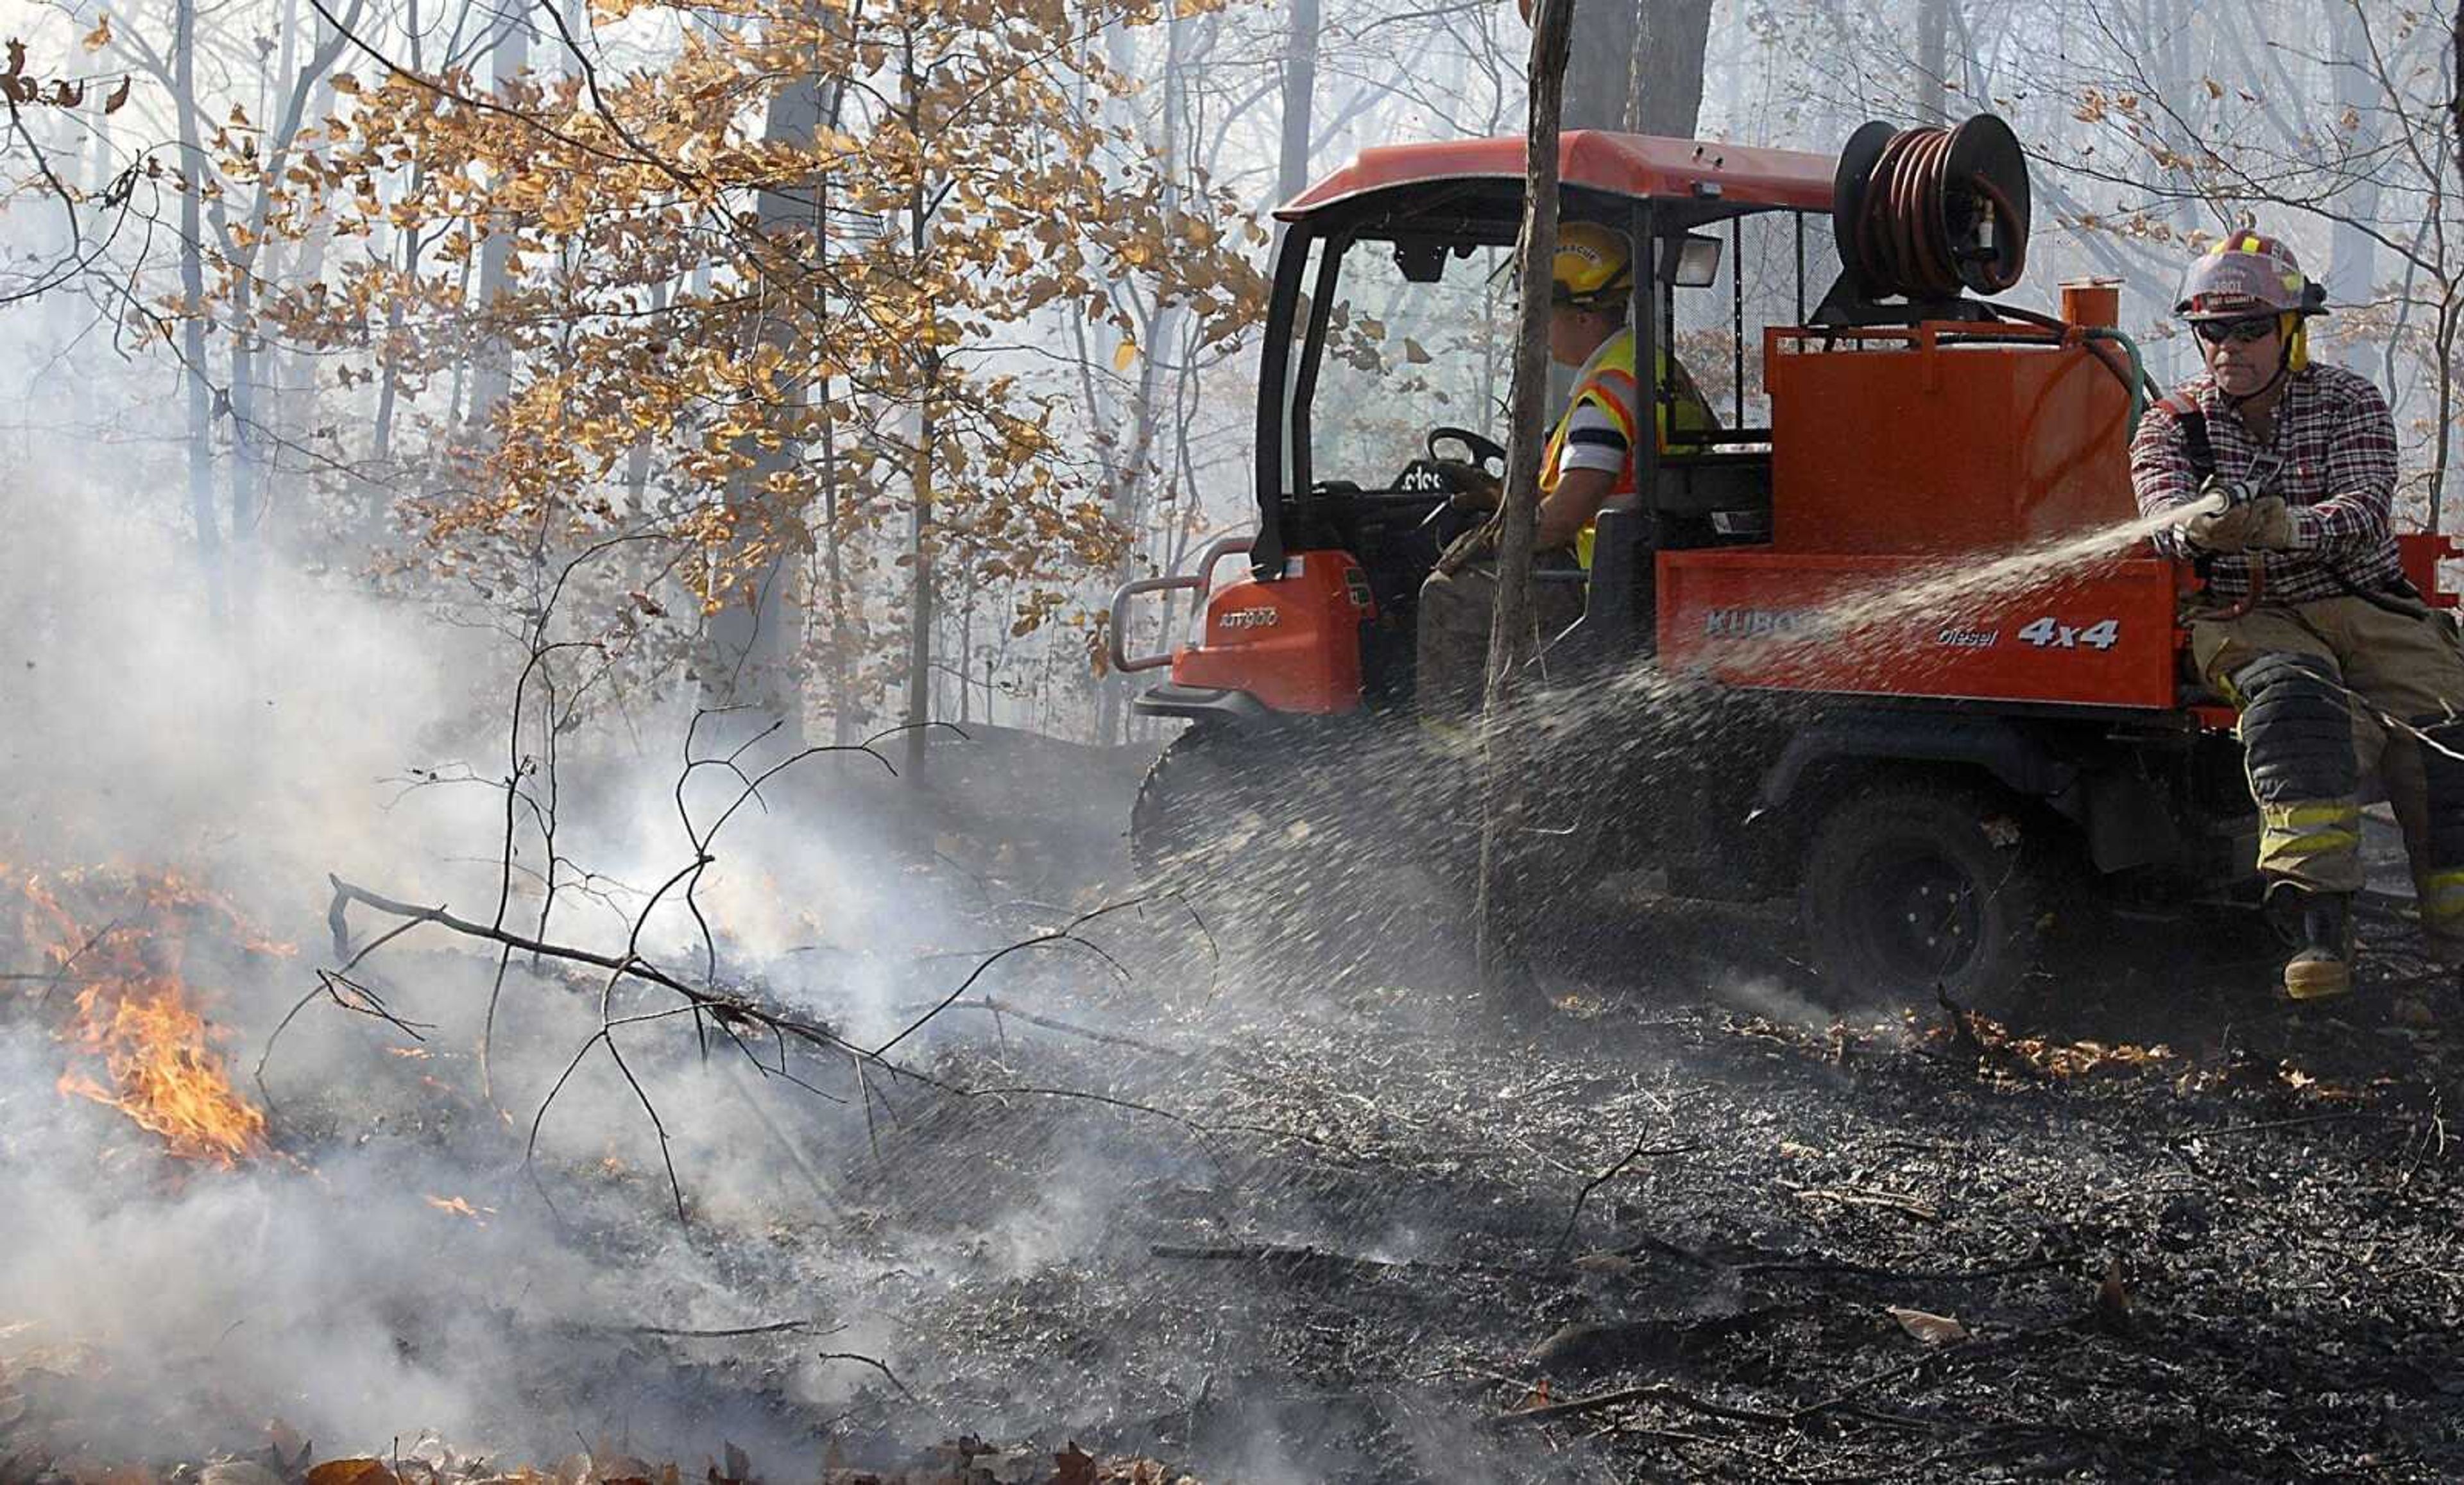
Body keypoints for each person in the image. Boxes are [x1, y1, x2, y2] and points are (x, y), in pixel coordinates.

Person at [2131, 231, 2464, 1001]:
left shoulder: (2349, 401)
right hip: (2251, 614)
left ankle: (2457, 940)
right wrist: (2194, 526)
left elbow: (2361, 509)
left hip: (2368, 601)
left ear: (2291, 331)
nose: (2229, 348)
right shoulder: (2173, 424)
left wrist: (2281, 522)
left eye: (2250, 330)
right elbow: (2160, 512)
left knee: (2447, 730)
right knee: (2298, 707)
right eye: (2213, 331)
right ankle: (2318, 934)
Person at [1414, 221, 1712, 739]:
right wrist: (1497, 497)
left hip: (1593, 584)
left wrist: (1489, 538)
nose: (1537, 328)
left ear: (1583, 312)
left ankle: (1457, 757)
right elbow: (1608, 481)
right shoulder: (1655, 370)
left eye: (1542, 313)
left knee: (1445, 594)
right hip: (1651, 571)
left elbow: (1563, 521)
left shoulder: (1604, 395)